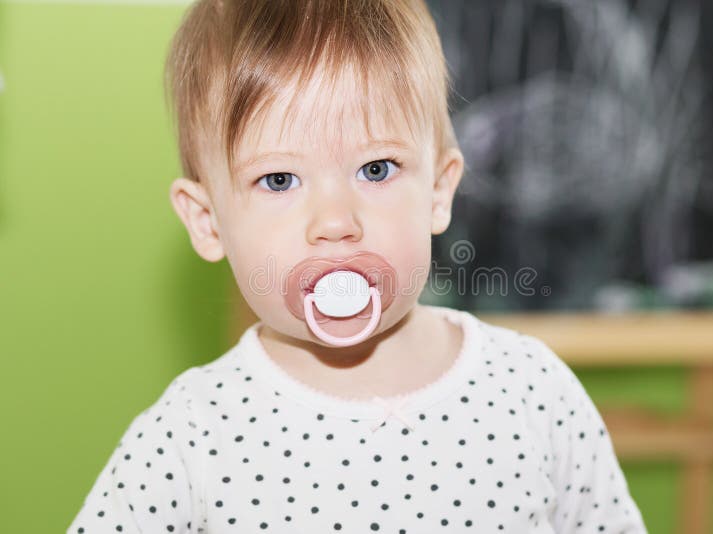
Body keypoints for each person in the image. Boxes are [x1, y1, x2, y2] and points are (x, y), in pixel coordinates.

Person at [67, 0, 647, 532]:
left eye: (375, 169)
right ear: (208, 221)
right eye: (278, 179)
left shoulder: (531, 391)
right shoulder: (191, 435)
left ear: (439, 192)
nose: (336, 220)